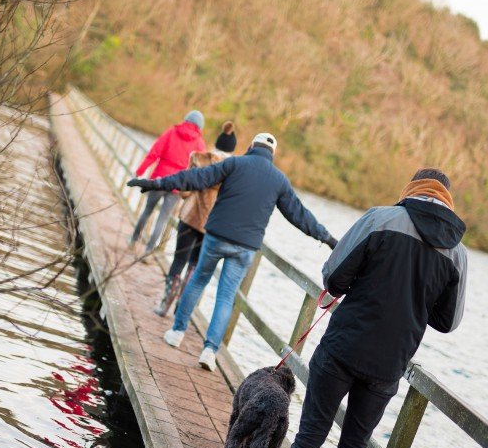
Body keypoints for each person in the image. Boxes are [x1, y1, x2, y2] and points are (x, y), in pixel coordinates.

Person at [245, 168, 467, 448]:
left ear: (412, 189)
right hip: (388, 365)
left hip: (343, 348)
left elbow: (334, 275)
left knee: (311, 437)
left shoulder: (381, 218)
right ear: (447, 201)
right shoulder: (458, 252)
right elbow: (447, 321)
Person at [128, 133, 337, 371]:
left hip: (216, 237)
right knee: (226, 296)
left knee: (198, 280)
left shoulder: (234, 163)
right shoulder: (279, 180)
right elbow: (299, 215)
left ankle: (177, 332)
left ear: (250, 146)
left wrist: (156, 183)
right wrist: (327, 238)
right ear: (273, 154)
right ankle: (210, 350)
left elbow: (196, 178)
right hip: (246, 246)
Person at [154, 121, 237, 317]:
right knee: (195, 267)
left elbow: (184, 190)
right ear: (233, 149)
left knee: (178, 260)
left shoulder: (199, 158)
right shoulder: (234, 169)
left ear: (216, 143)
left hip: (190, 216)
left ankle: (165, 304)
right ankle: (180, 309)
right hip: (212, 224)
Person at [128, 110, 206, 255]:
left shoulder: (172, 132)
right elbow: (200, 170)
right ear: (200, 126)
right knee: (163, 218)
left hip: (160, 179)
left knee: (147, 210)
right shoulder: (200, 144)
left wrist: (139, 172)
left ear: (186, 119)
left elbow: (154, 153)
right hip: (178, 184)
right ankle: (148, 250)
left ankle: (133, 240)